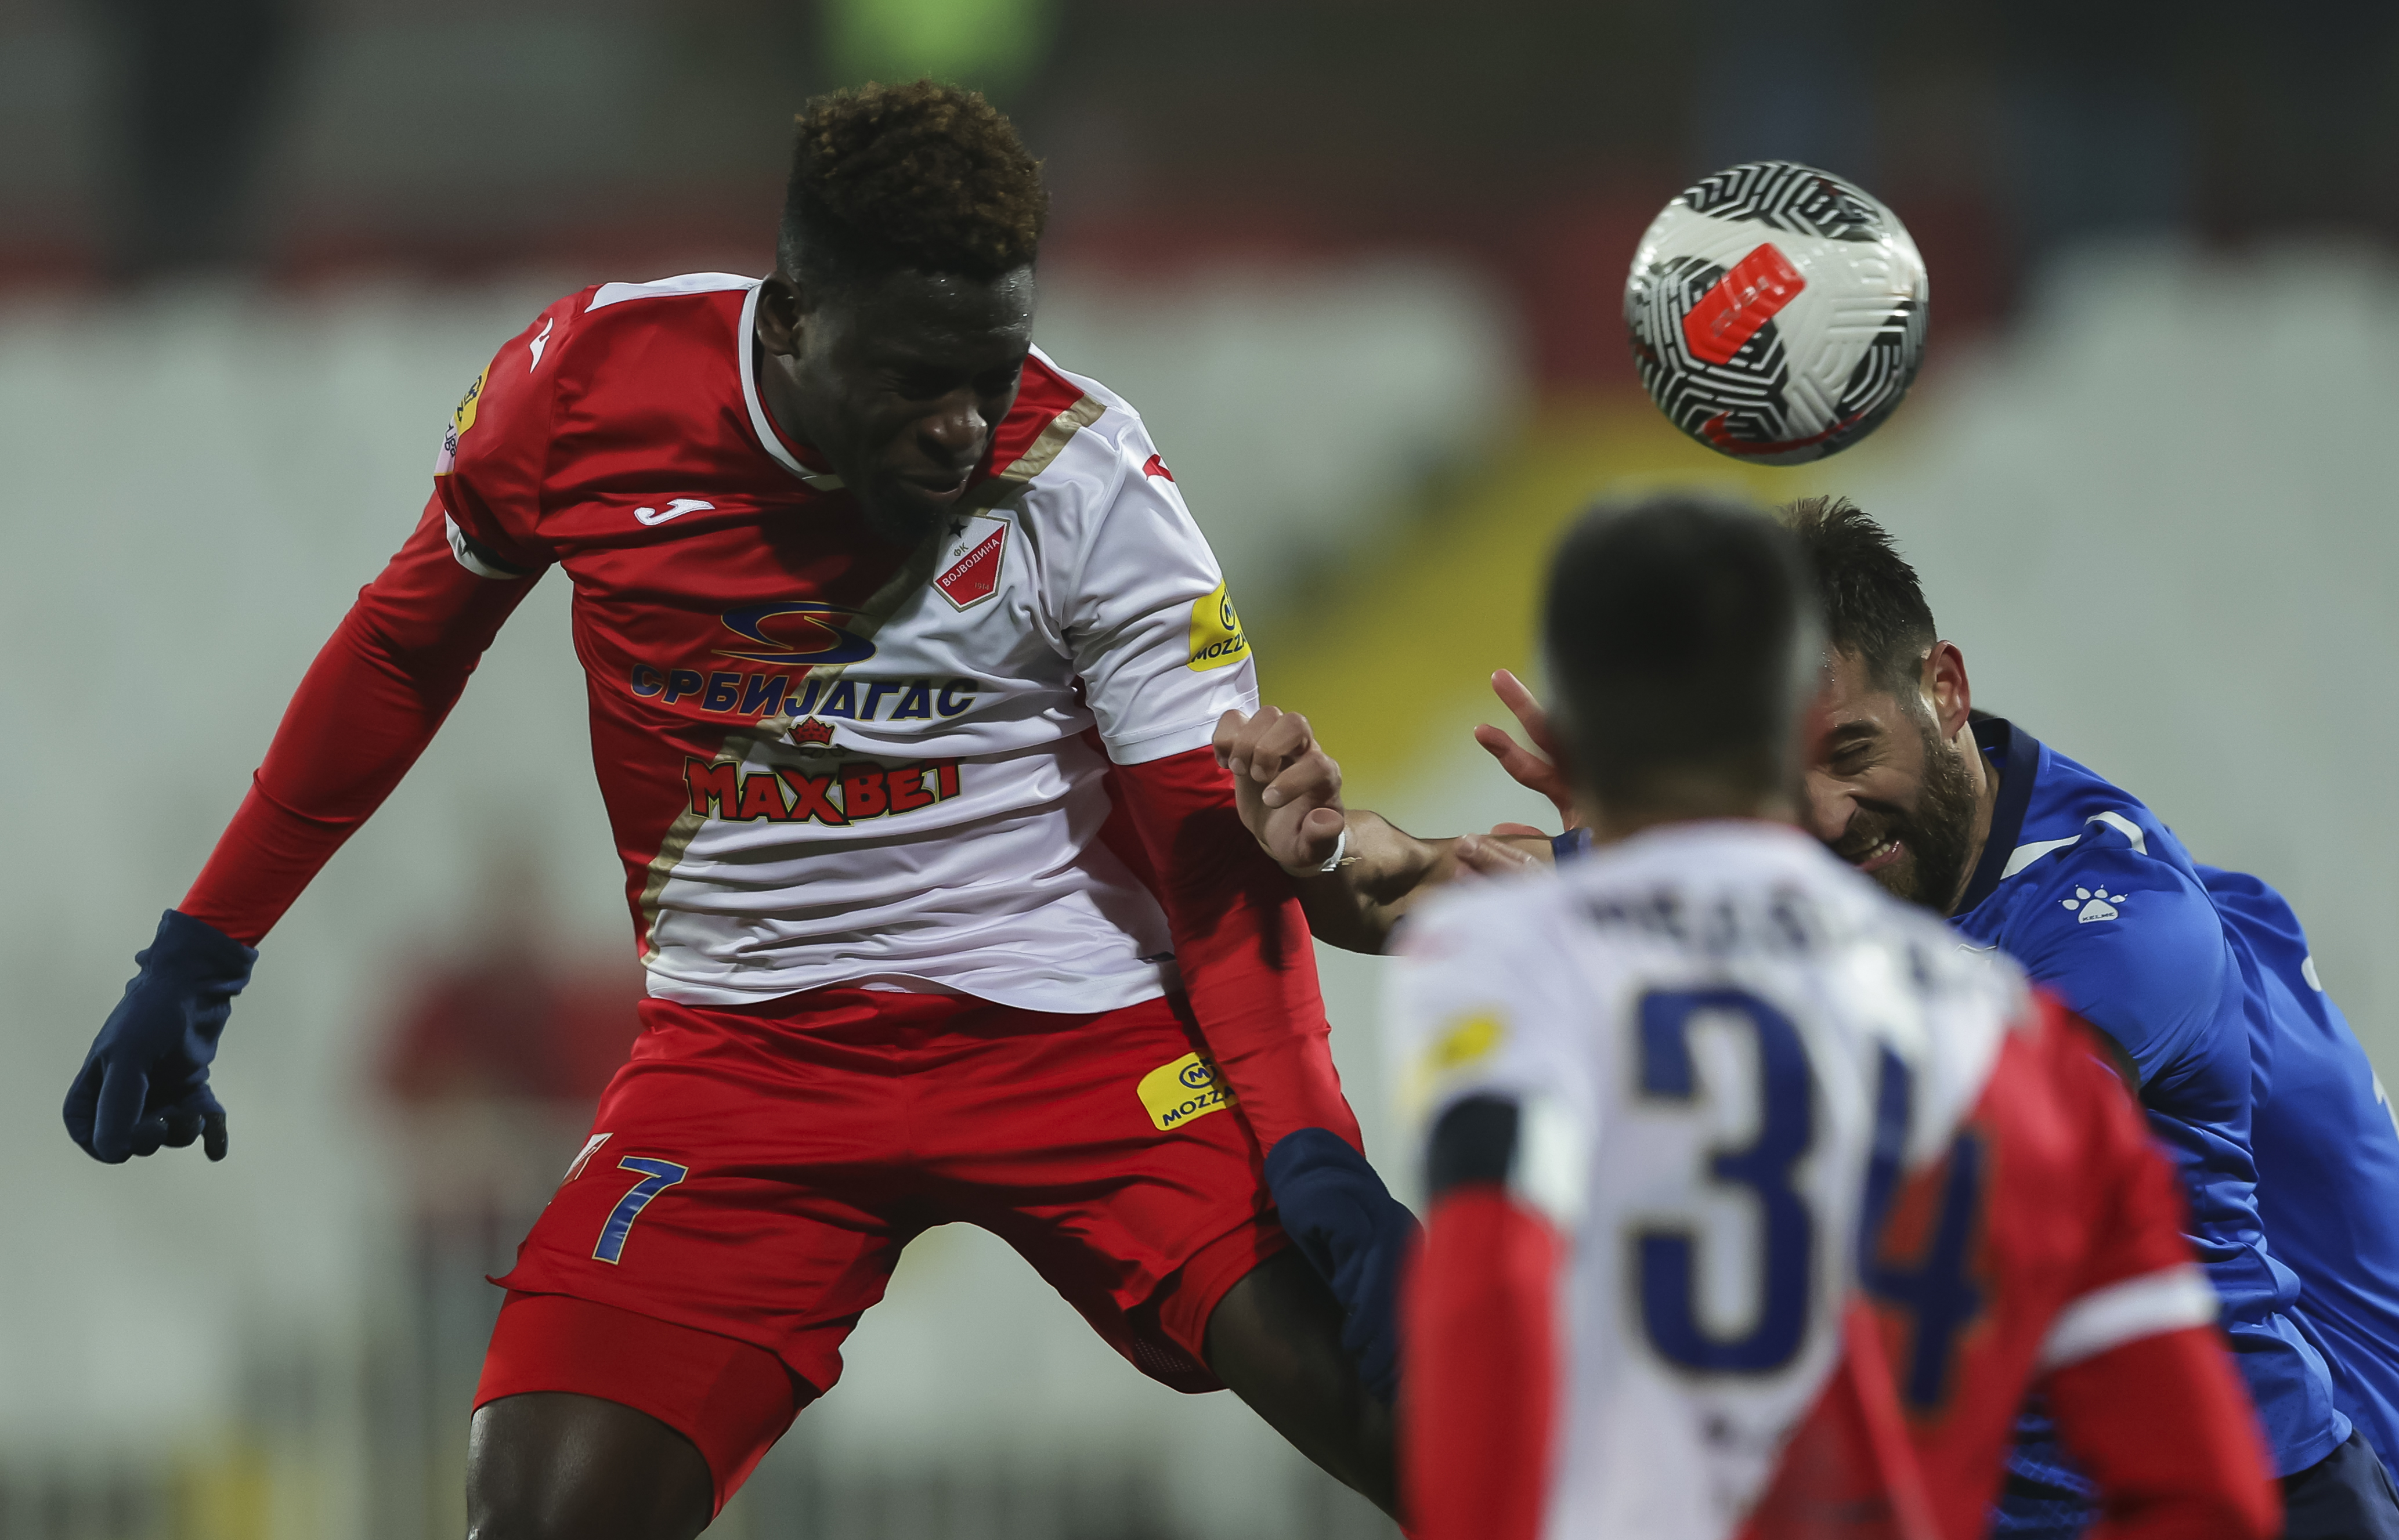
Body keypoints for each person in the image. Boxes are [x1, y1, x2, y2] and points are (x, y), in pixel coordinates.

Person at [63, 81, 1398, 1537]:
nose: (962, 425)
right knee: (539, 1517)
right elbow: (403, 648)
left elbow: (1214, 864)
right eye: (916, 378)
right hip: (747, 1060)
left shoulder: (1088, 477)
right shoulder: (583, 390)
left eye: (992, 370)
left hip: (1081, 1043)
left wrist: (1316, 1156)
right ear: (797, 315)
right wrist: (206, 944)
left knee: (1420, 1421)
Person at [1236, 492, 2399, 1539]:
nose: (1830, 814)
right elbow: (1412, 886)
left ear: (1944, 689)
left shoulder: (2115, 920)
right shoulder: (1780, 865)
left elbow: (1970, 1187)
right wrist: (1320, 842)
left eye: (1853, 751)